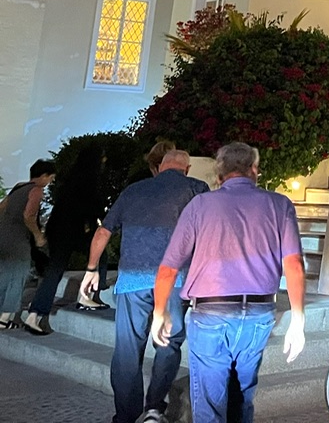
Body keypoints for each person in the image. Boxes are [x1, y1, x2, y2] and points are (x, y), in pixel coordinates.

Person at [152, 142, 306, 423]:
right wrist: (298, 319)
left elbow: (168, 268)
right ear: (254, 169)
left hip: (210, 314)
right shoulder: (279, 204)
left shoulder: (200, 205)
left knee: (209, 404)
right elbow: (294, 264)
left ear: (219, 173)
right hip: (258, 315)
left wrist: (160, 312)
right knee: (242, 396)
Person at [81, 149, 209, 423]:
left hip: (132, 280)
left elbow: (103, 231)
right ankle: (154, 408)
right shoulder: (196, 188)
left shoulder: (133, 190)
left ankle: (126, 416)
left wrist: (91, 269)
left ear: (160, 167)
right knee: (168, 342)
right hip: (174, 279)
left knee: (127, 348)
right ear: (186, 169)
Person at [23, 141, 109, 335]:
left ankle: (34, 314)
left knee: (54, 272)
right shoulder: (90, 180)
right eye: (102, 158)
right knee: (99, 255)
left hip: (57, 230)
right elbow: (93, 208)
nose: (104, 161)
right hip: (74, 231)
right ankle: (89, 295)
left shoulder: (70, 179)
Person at [0, 160, 55, 329]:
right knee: (18, 277)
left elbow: (1, 208)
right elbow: (29, 215)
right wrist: (38, 236)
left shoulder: (18, 187)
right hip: (18, 240)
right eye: (51, 178)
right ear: (44, 176)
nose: (50, 182)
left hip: (3, 236)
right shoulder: (36, 190)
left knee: (3, 275)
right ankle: (4, 319)